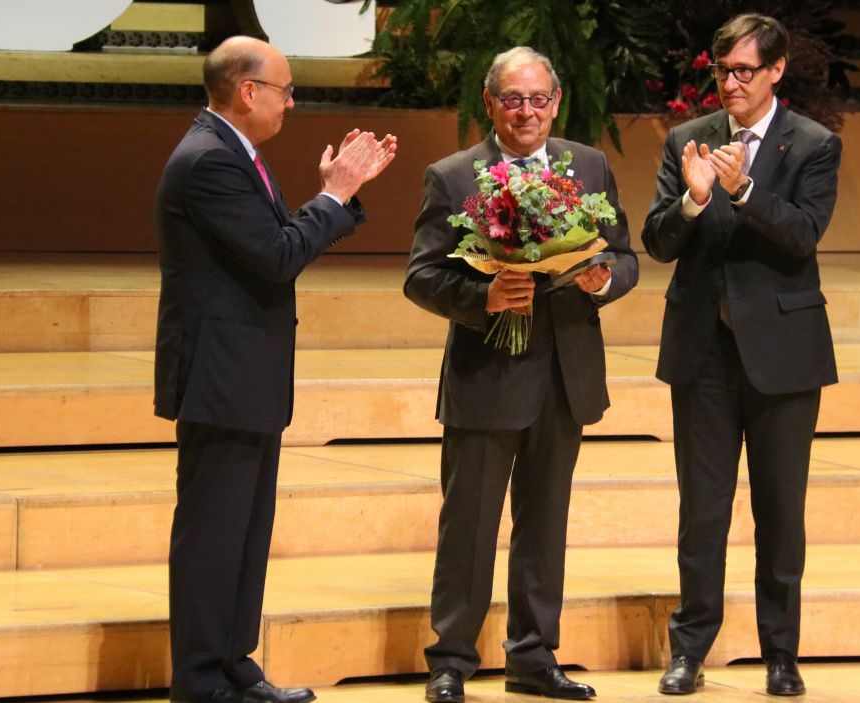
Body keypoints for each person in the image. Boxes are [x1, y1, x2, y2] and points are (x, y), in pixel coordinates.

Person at [153, 36, 396, 703]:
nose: (292, 101)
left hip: (245, 378)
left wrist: (335, 197)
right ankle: (202, 682)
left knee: (244, 534)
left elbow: (277, 244)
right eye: (286, 89)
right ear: (247, 90)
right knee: (213, 536)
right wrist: (337, 193)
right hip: (220, 378)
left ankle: (235, 666)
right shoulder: (209, 160)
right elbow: (277, 255)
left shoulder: (233, 152)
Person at [404, 46, 638, 703]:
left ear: (556, 102)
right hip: (486, 376)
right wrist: (484, 299)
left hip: (565, 374)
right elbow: (421, 276)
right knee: (469, 528)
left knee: (545, 525)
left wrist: (604, 278)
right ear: (491, 104)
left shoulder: (587, 165)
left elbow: (624, 254)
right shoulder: (453, 175)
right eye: (513, 99)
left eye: (538, 99)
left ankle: (532, 656)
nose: (526, 112)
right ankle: (451, 659)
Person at [641, 14, 841, 698]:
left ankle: (781, 654)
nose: (730, 83)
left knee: (781, 511)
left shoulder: (813, 144)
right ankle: (689, 650)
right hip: (704, 353)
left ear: (776, 70)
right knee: (703, 511)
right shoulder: (686, 140)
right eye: (722, 70)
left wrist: (745, 192)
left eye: (744, 71)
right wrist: (694, 202)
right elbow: (657, 241)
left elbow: (804, 235)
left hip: (784, 353)